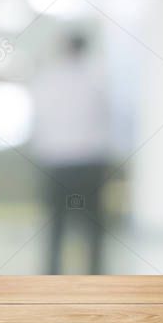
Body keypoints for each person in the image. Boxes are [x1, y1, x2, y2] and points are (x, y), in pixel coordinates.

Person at [30, 32, 112, 274]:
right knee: (93, 228)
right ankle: (95, 275)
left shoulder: (47, 79)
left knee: (55, 226)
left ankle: (51, 275)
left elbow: (39, 120)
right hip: (90, 163)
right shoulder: (98, 78)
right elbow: (107, 118)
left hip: (57, 163)